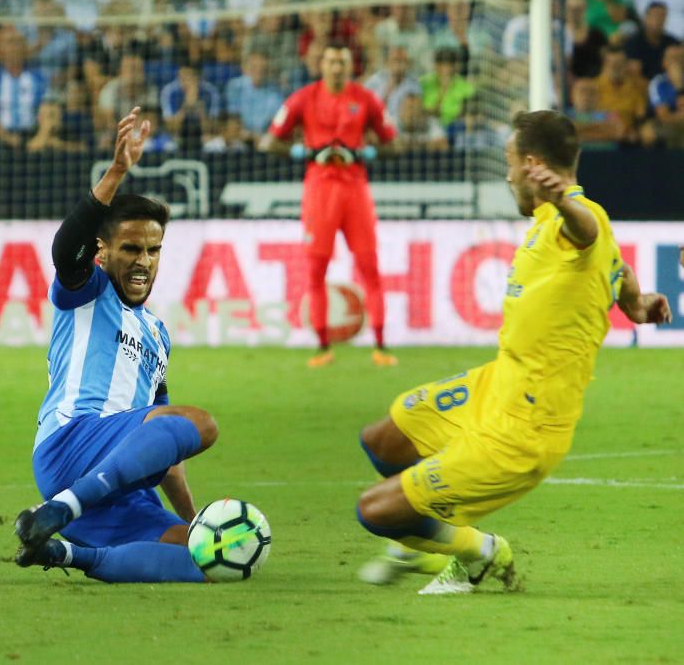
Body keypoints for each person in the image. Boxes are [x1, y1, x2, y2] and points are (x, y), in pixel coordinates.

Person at [356, 110, 672, 594]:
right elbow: (615, 264)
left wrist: (564, 199)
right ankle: (430, 528)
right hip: (496, 385)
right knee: (383, 440)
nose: (506, 175)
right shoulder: (561, 222)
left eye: (509, 163)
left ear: (531, 164)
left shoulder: (574, 219)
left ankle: (479, 553)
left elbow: (587, 230)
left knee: (373, 511)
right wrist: (637, 302)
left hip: (525, 429)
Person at [14, 107, 218, 583]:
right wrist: (118, 171)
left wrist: (192, 522)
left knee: (206, 561)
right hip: (72, 443)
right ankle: (65, 506)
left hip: (119, 490)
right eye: (131, 248)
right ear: (103, 252)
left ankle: (67, 553)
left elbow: (165, 448)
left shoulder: (159, 335)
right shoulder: (89, 289)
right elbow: (67, 249)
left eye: (153, 249)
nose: (144, 260)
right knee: (202, 422)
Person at [259, 42, 398, 368]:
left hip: (355, 192)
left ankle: (381, 345)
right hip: (319, 193)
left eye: (343, 62)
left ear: (351, 66)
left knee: (370, 267)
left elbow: (394, 144)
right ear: (321, 65)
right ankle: (322, 348)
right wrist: (307, 154)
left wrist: (364, 154)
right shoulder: (304, 98)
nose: (337, 67)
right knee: (315, 270)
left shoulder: (366, 100)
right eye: (332, 61)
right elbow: (269, 142)